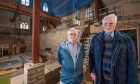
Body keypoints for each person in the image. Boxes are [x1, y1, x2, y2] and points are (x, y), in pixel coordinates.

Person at [89, 14, 138, 84]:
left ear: (115, 25)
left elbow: (132, 65)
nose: (108, 25)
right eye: (105, 23)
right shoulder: (96, 39)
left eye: (111, 23)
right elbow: (92, 57)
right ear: (102, 25)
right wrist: (93, 71)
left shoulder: (126, 40)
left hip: (118, 80)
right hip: (100, 79)